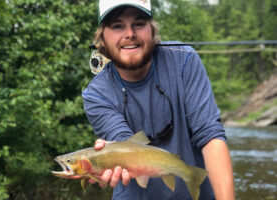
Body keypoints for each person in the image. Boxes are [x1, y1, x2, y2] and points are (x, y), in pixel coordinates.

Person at [82, 0, 235, 199]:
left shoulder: (184, 61)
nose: (130, 34)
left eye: (139, 23)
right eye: (117, 26)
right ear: (102, 37)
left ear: (152, 30)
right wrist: (107, 157)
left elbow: (211, 137)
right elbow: (127, 146)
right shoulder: (96, 94)